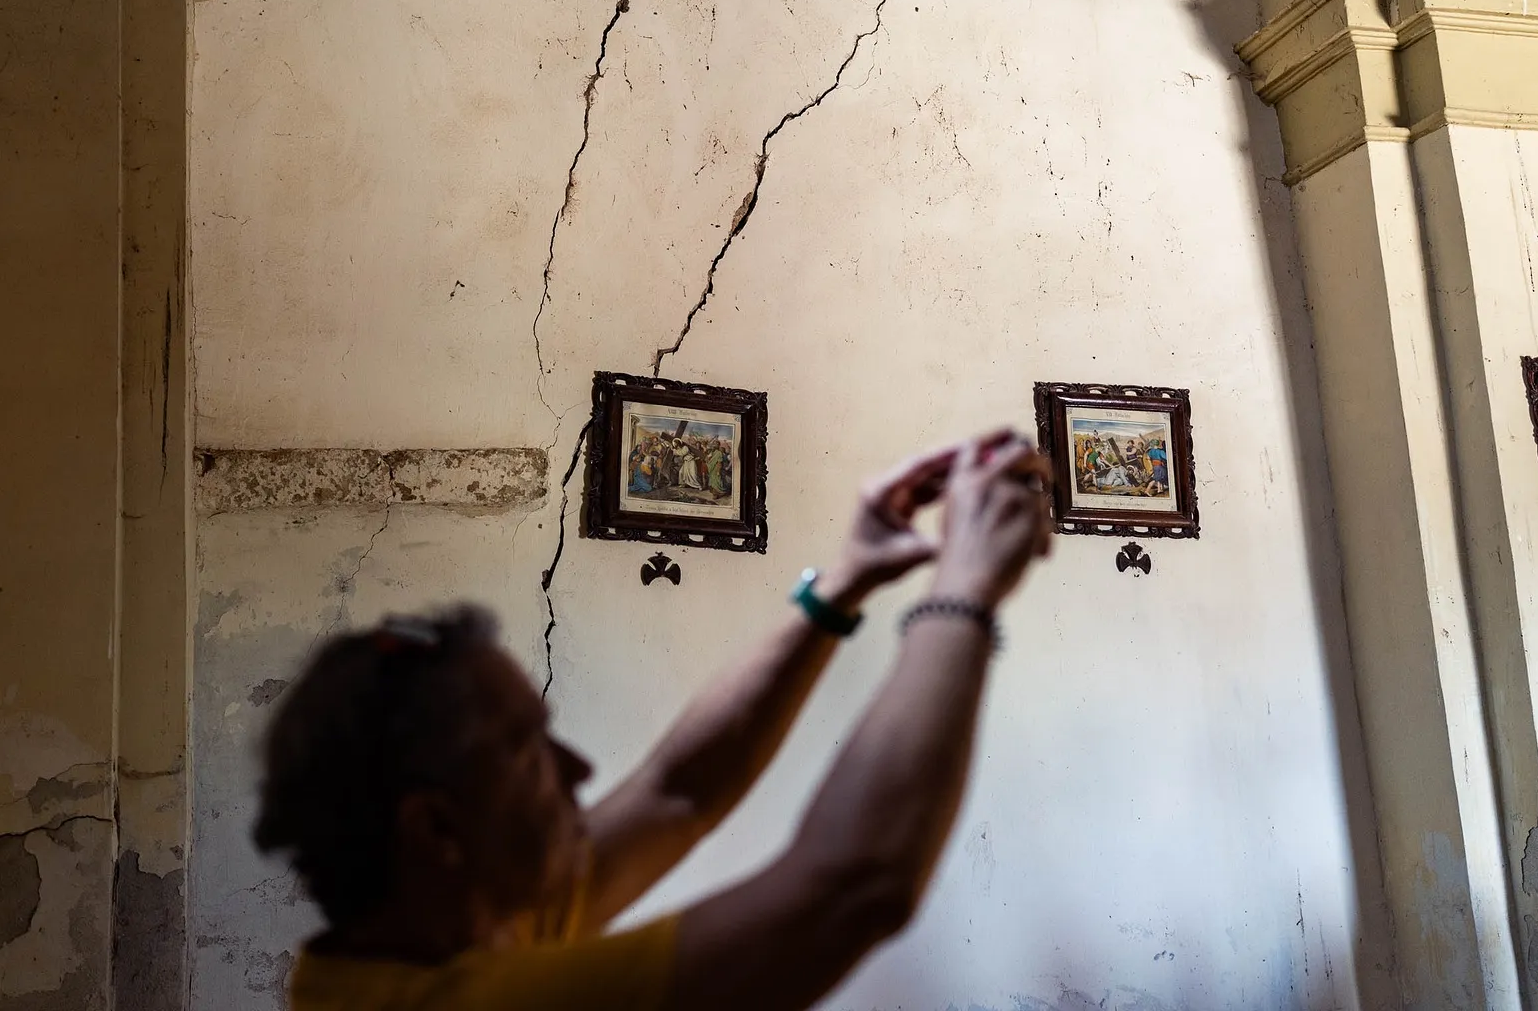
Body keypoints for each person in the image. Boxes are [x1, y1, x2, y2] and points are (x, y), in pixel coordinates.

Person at [255, 428, 1054, 1011]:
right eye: (527, 751)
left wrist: (844, 582)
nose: (580, 770)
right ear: (435, 828)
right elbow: (855, 887)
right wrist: (965, 590)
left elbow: (680, 791)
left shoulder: (448, 928)